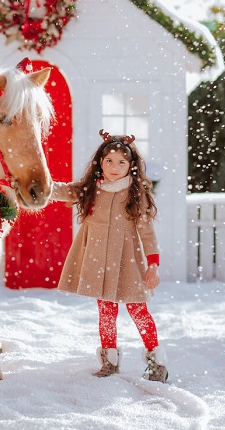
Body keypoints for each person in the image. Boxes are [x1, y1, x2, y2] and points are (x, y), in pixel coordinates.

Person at [51, 129, 168, 382]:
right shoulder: (91, 188)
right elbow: (63, 191)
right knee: (106, 311)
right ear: (100, 163)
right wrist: (40, 187)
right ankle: (110, 360)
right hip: (98, 257)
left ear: (131, 165)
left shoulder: (136, 193)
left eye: (121, 162)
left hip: (127, 259)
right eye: (109, 161)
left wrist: (153, 265)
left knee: (138, 310)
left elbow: (147, 232)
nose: (114, 167)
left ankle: (156, 361)